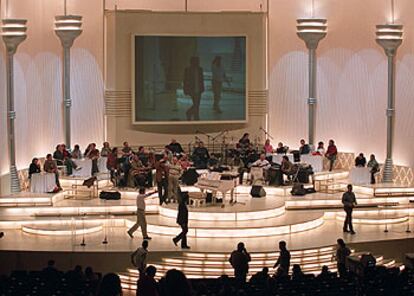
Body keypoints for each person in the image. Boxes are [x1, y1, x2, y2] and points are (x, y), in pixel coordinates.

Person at [183, 56, 204, 121]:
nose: (198, 62)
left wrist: (202, 87)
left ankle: (195, 116)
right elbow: (185, 80)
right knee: (196, 104)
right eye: (196, 61)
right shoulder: (188, 69)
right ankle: (192, 114)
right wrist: (185, 89)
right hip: (192, 90)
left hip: (198, 89)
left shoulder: (200, 69)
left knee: (197, 104)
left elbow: (201, 79)